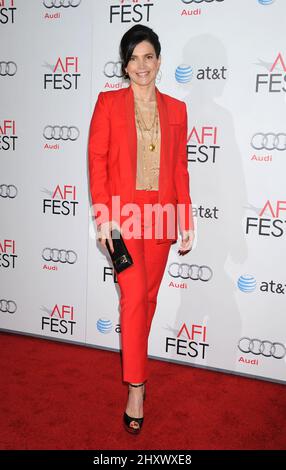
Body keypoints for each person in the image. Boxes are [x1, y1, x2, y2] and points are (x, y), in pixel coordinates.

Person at [88, 24, 195, 434]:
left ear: (159, 61)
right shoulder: (108, 103)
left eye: (148, 56)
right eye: (133, 58)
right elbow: (97, 161)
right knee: (133, 298)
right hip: (122, 218)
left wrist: (184, 217)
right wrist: (104, 217)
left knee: (147, 301)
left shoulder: (177, 109)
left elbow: (181, 169)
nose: (141, 65)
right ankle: (136, 387)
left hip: (162, 217)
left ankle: (136, 363)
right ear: (125, 65)